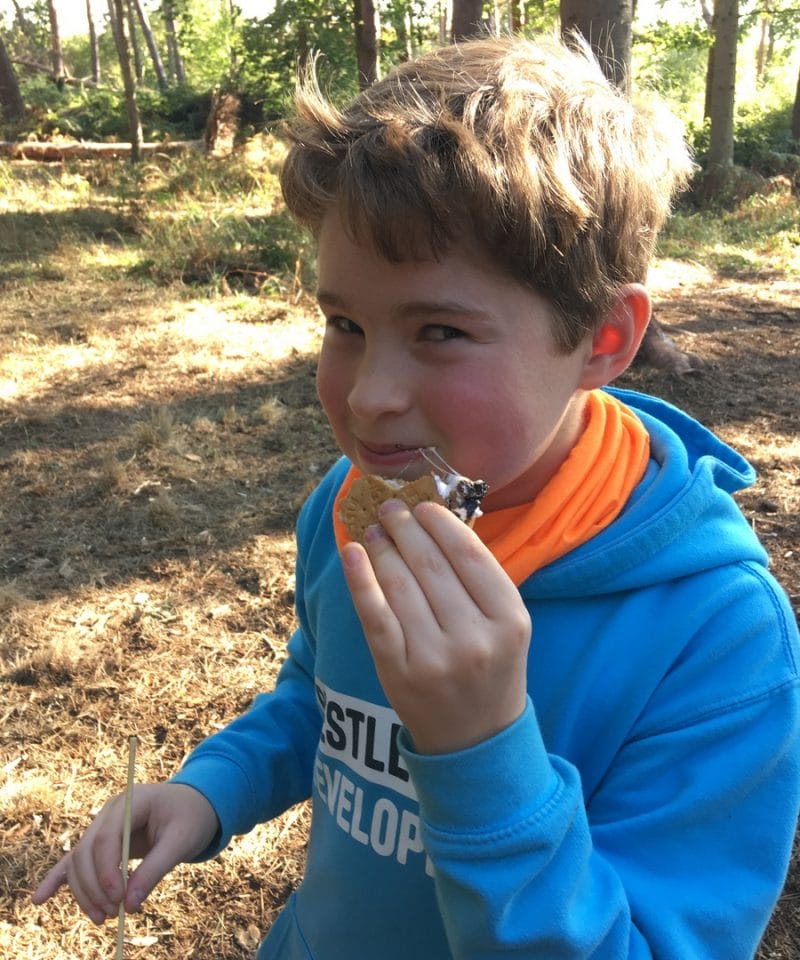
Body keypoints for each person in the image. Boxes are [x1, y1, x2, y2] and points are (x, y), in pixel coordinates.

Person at [33, 34, 800, 959]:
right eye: (344, 323)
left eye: (439, 330)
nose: (368, 397)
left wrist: (482, 750)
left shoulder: (717, 636)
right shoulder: (352, 507)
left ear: (602, 338)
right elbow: (322, 700)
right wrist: (211, 790)